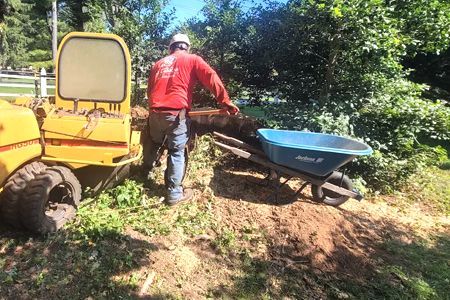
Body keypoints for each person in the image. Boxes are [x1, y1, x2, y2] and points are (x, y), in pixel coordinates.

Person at [145, 33, 239, 206]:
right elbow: (211, 78)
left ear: (171, 47)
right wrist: (226, 102)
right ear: (186, 47)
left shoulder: (158, 64)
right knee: (177, 151)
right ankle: (174, 195)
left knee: (155, 143)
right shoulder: (192, 59)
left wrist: (156, 109)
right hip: (175, 115)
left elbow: (150, 90)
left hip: (154, 113)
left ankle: (144, 175)